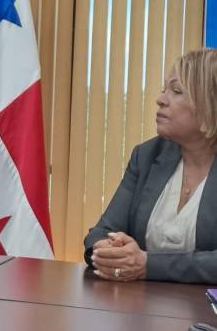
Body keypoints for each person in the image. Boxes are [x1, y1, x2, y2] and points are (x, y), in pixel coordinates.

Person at [84, 48, 217, 284]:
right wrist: (109, 250)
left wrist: (148, 265)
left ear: (210, 104)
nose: (160, 99)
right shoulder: (147, 155)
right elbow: (101, 231)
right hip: (141, 310)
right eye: (164, 89)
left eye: (176, 91)